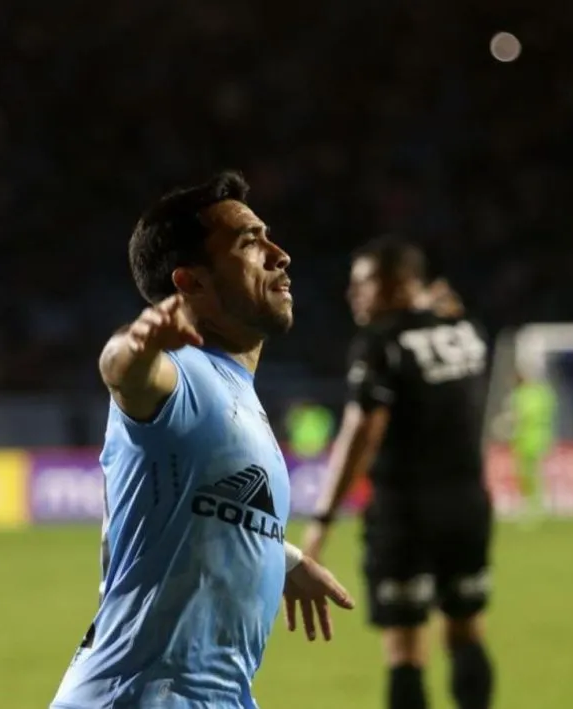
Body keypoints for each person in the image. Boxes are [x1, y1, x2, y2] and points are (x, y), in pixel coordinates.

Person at [51, 171, 354, 709]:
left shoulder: (237, 392)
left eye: (269, 236)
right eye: (249, 242)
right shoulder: (178, 372)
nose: (279, 254)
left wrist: (281, 560)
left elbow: (199, 504)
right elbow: (123, 371)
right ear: (191, 283)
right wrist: (139, 340)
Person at [301, 238, 495, 709]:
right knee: (466, 628)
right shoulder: (466, 328)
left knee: (405, 648)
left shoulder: (380, 343)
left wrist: (322, 518)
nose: (354, 295)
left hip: (406, 512)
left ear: (400, 283)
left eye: (364, 283)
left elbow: (361, 433)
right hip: (468, 504)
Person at [508, 365, 556, 526]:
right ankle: (531, 505)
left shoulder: (537, 393)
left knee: (533, 474)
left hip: (535, 438)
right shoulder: (521, 393)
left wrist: (512, 419)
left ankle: (536, 507)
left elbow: (527, 414)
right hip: (522, 439)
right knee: (526, 474)